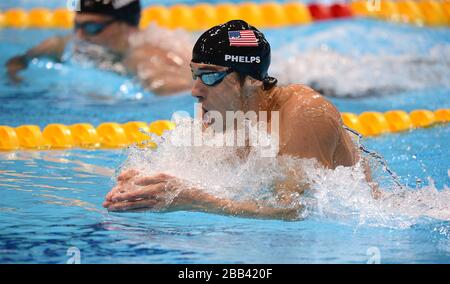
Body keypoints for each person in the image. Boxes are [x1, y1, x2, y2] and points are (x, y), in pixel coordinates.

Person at [103, 20, 374, 220]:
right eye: (195, 74)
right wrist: (150, 183)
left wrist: (193, 200)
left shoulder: (305, 114)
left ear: (251, 81)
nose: (195, 90)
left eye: (210, 75)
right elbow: (212, 178)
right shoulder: (229, 114)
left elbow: (295, 210)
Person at [5, 0, 192, 95]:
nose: (79, 36)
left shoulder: (144, 57)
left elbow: (180, 93)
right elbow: (17, 62)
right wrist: (15, 80)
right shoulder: (65, 44)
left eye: (92, 27)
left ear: (126, 27)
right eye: (77, 26)